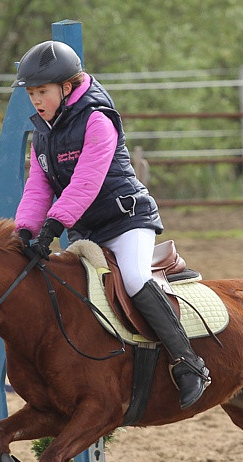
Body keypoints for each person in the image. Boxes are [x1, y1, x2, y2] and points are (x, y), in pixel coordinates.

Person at [12, 40, 210, 409]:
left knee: (134, 278)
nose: (36, 100)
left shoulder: (97, 120)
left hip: (126, 221)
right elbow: (38, 187)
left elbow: (86, 182)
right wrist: (25, 229)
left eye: (42, 92)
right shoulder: (43, 132)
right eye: (31, 93)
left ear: (67, 87)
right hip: (87, 231)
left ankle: (188, 363)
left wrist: (53, 227)